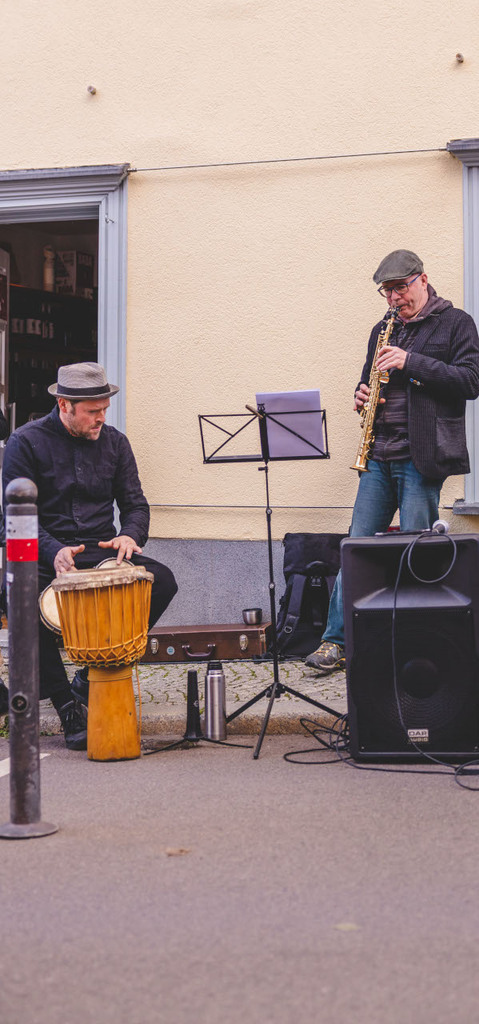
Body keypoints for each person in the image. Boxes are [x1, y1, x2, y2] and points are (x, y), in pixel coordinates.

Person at [305, 248, 479, 674]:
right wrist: (361, 396)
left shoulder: (456, 323)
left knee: (417, 549)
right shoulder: (383, 329)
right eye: (387, 292)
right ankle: (336, 642)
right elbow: (369, 379)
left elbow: (471, 382)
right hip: (379, 455)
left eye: (399, 289)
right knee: (357, 546)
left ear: (422, 279)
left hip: (423, 456)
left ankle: (420, 638)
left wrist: (412, 362)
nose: (394, 300)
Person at [2, 362, 178, 747]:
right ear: (64, 405)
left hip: (102, 552)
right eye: (92, 411)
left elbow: (135, 506)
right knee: (17, 597)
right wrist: (53, 551)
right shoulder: (25, 442)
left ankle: (88, 675)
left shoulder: (116, 443)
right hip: (46, 554)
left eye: (103, 409)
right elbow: (12, 520)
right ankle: (66, 705)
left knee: (161, 581)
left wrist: (129, 536)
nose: (101, 418)